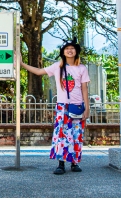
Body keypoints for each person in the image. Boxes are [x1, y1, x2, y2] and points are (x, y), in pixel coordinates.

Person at [21, 40, 90, 175]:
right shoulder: (57, 66)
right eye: (67, 48)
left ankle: (75, 162)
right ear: (63, 52)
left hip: (77, 106)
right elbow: (39, 71)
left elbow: (85, 89)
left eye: (72, 48)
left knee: (76, 134)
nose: (70, 50)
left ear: (76, 52)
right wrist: (22, 64)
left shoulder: (82, 68)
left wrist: (87, 108)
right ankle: (61, 164)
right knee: (62, 135)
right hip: (62, 106)